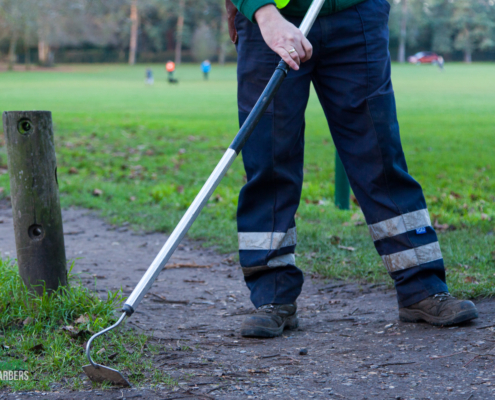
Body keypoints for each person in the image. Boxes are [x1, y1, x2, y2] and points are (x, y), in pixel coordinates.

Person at [226, 0, 478, 338]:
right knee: (267, 160)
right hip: (269, 21)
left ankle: (422, 287)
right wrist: (262, 12)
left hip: (355, 13)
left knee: (379, 156)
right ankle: (272, 296)